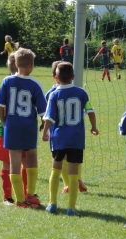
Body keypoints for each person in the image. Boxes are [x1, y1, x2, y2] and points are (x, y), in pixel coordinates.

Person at [42, 62, 99, 216]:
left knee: (55, 170)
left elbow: (49, 117)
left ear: (56, 78)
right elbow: (90, 111)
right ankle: (71, 208)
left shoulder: (54, 94)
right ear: (73, 77)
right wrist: (94, 127)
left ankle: (52, 203)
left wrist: (45, 131)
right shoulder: (81, 93)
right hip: (76, 139)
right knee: (74, 174)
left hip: (59, 138)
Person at [0, 48, 47, 209]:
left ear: (16, 64)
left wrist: (4, 121)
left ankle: (19, 199)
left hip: (12, 127)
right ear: (31, 65)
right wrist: (44, 125)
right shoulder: (35, 84)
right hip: (29, 127)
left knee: (14, 162)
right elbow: (43, 112)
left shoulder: (7, 81)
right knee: (31, 157)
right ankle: (30, 194)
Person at [46, 61, 88, 194]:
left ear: (55, 77)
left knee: (61, 159)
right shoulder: (78, 91)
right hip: (75, 133)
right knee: (74, 157)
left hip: (58, 133)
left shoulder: (51, 94)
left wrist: (44, 128)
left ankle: (67, 184)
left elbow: (46, 115)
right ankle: (77, 180)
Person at [0, 52, 28, 206]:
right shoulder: (8, 82)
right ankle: (9, 196)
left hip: (19, 129)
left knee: (22, 163)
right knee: (14, 163)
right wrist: (3, 122)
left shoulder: (26, 82)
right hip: (9, 130)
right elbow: (0, 104)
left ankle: (23, 195)